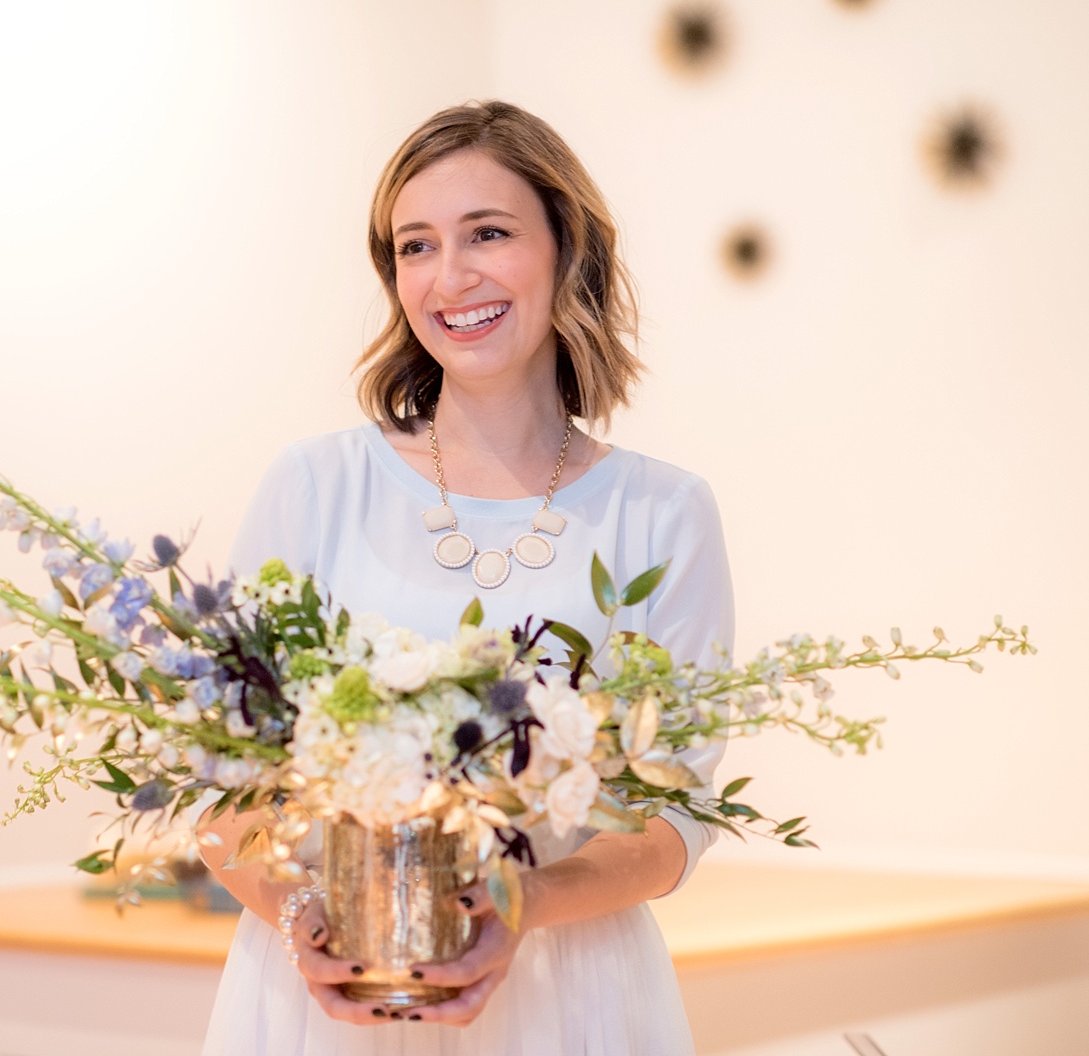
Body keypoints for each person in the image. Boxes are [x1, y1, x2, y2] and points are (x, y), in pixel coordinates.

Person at [197, 101, 734, 1055]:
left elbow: (670, 819)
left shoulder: (663, 513)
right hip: (331, 1002)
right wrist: (306, 920)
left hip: (571, 1000)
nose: (450, 277)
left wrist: (522, 903)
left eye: (488, 232)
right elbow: (216, 785)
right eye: (416, 246)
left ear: (567, 251)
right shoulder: (316, 487)